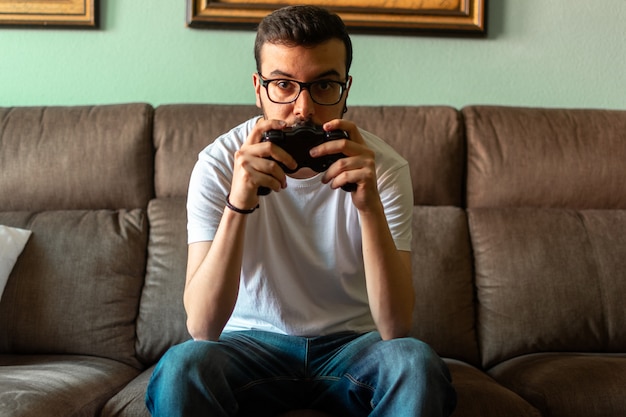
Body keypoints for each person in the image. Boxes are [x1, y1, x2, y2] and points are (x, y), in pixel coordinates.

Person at [146, 5, 456, 417]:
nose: (304, 108)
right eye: (283, 85)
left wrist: (368, 207)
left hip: (352, 347)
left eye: (323, 86)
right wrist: (238, 204)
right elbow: (202, 328)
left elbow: (396, 329)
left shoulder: (383, 167)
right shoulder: (219, 164)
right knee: (182, 367)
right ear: (258, 88)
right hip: (248, 346)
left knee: (415, 363)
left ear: (346, 89)